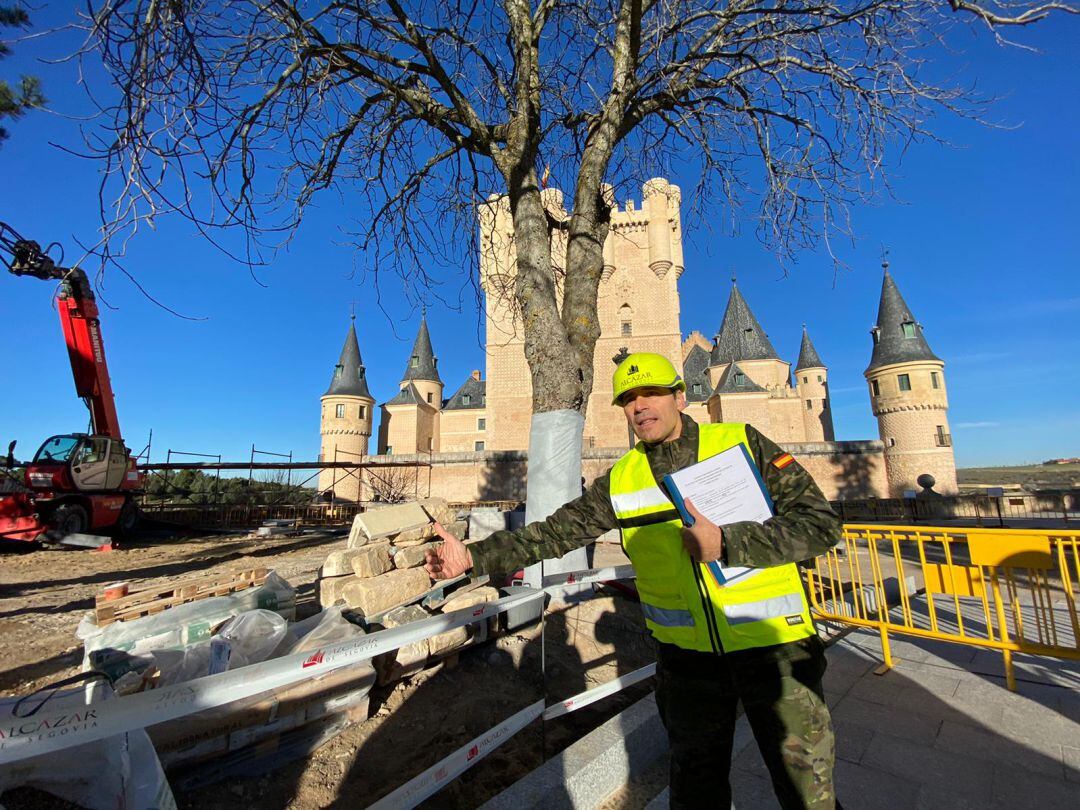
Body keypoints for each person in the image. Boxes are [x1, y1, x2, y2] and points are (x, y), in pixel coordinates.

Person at [426, 352, 841, 809]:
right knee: (695, 790)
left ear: (680, 397)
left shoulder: (740, 442)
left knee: (807, 793)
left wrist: (728, 543)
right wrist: (474, 556)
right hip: (687, 665)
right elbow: (554, 533)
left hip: (776, 651)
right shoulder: (622, 479)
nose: (640, 405)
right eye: (628, 398)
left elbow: (820, 525)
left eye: (652, 393)